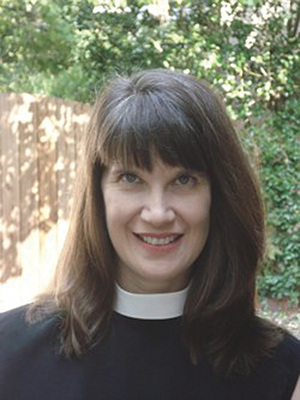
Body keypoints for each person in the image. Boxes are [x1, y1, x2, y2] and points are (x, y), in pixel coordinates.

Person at [0, 69, 299, 400]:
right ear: (98, 195)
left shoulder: (283, 372)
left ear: (219, 197)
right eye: (131, 178)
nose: (158, 213)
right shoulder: (8, 354)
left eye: (184, 180)